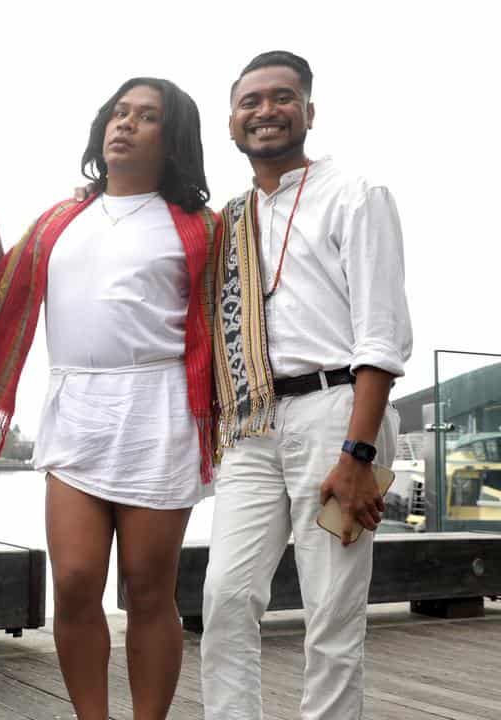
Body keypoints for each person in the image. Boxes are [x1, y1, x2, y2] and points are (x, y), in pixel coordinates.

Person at [0, 78, 220, 720]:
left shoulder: (199, 226)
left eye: (147, 117)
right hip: (75, 405)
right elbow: (0, 285)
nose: (126, 124)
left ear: (171, 140)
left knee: (147, 592)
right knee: (74, 581)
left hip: (159, 406)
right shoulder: (61, 219)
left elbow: (233, 318)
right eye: (120, 113)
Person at [200, 51, 412, 720]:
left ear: (309, 112)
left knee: (332, 608)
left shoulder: (356, 194)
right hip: (252, 425)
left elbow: (381, 335)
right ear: (232, 120)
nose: (265, 111)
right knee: (226, 598)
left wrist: (359, 455)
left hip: (336, 415)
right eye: (250, 101)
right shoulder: (227, 220)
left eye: (282, 97)